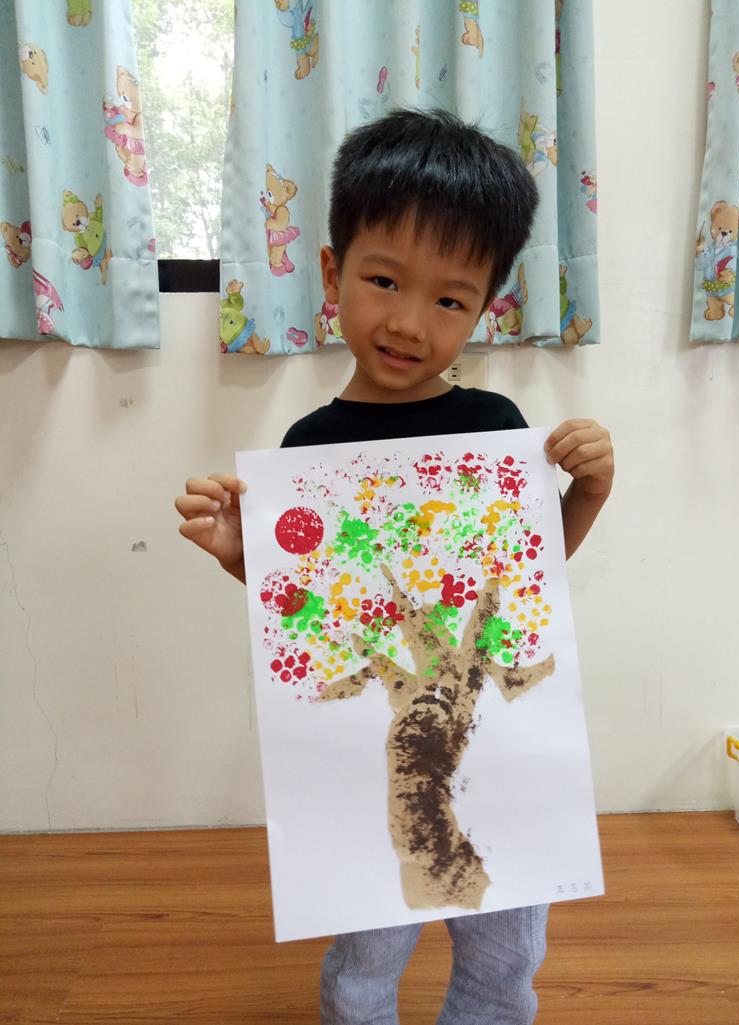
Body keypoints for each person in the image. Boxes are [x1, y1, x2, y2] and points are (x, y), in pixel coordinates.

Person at [175, 108, 614, 1025]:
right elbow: (312, 614)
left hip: (497, 751)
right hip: (370, 758)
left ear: (484, 308)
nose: (409, 322)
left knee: (506, 948)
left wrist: (584, 496)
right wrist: (241, 556)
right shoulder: (309, 448)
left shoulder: (494, 429)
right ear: (331, 272)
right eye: (382, 280)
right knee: (365, 950)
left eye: (450, 300)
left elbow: (526, 580)